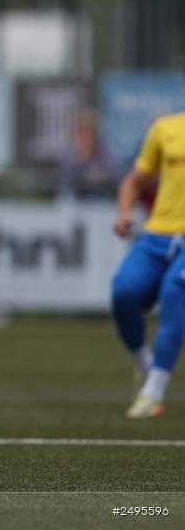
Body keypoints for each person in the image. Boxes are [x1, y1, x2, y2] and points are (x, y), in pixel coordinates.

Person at [111, 105, 185, 418]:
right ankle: (144, 363)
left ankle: (153, 392)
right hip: (157, 234)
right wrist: (125, 214)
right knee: (123, 292)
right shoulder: (165, 128)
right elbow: (134, 180)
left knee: (174, 290)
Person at [58, 107, 118, 201]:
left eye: (88, 131)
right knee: (64, 200)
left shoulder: (105, 151)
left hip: (100, 195)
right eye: (81, 131)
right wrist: (82, 157)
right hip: (75, 196)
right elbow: (70, 178)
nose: (85, 136)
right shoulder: (69, 152)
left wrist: (92, 178)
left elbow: (112, 175)